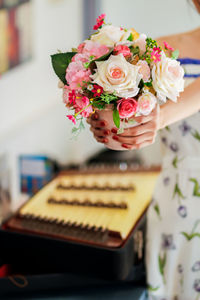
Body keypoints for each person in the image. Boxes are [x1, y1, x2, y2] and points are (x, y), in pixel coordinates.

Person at [87, 1, 200, 298]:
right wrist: (103, 118)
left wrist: (159, 118)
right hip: (178, 201)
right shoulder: (161, 51)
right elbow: (128, 127)